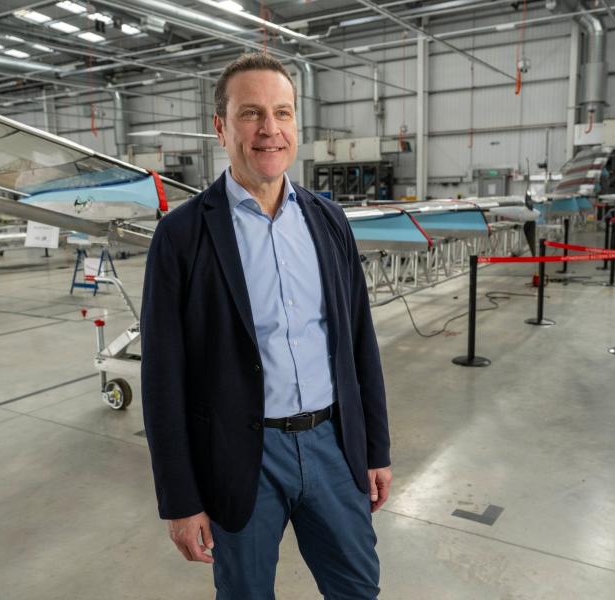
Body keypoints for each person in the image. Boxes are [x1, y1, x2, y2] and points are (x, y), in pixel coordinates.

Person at [140, 51, 392, 600]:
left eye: (283, 112)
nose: (269, 130)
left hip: (332, 444)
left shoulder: (328, 222)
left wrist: (375, 448)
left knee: (357, 588)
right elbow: (163, 378)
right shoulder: (182, 236)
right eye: (251, 113)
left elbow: (358, 341)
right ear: (221, 126)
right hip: (240, 457)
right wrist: (180, 500)